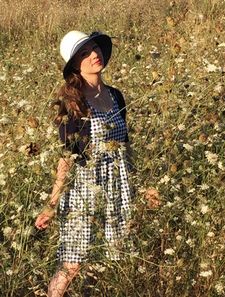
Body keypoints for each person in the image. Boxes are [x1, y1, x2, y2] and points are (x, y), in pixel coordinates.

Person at [35, 30, 133, 297]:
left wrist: (137, 186)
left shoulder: (116, 95)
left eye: (94, 49)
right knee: (72, 263)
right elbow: (66, 158)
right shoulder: (74, 103)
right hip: (85, 190)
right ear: (76, 65)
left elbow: (126, 146)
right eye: (84, 53)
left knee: (105, 259)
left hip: (117, 188)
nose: (94, 55)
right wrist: (52, 204)